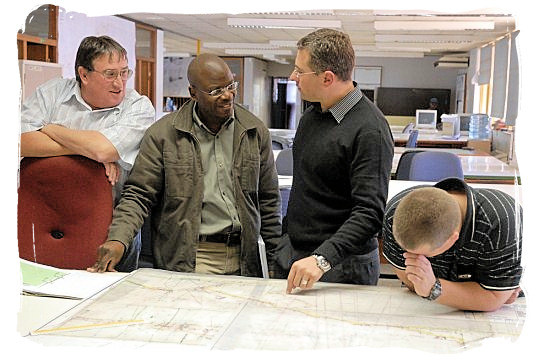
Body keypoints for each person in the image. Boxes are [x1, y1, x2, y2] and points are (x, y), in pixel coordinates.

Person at [88, 54, 281, 277]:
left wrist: (274, 262)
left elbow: (269, 200)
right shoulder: (163, 135)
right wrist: (118, 239)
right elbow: (139, 195)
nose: (228, 95)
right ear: (193, 93)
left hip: (244, 258)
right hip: (190, 257)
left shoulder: (253, 131)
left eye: (231, 86)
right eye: (216, 91)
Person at [273, 28, 394, 293]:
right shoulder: (312, 116)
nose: (293, 77)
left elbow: (369, 214)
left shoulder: (370, 129)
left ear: (327, 78)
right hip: (296, 254)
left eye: (299, 71)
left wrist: (322, 258)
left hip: (341, 265)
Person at [20, 35, 155, 271]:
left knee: (111, 301)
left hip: (112, 227)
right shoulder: (52, 93)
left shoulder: (138, 106)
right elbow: (18, 142)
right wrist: (88, 152)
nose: (120, 83)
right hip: (44, 216)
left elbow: (103, 149)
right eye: (110, 74)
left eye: (125, 72)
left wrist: (50, 129)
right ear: (84, 74)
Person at [382, 178, 523, 312]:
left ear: (452, 239)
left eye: (424, 255)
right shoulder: (394, 215)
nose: (414, 258)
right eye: (407, 252)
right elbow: (413, 282)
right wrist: (477, 296)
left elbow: (492, 297)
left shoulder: (504, 224)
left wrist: (433, 288)